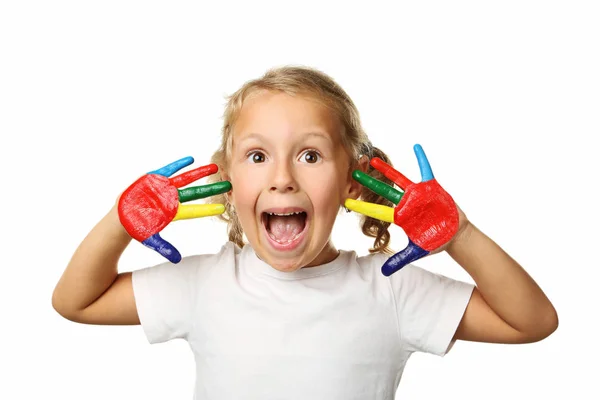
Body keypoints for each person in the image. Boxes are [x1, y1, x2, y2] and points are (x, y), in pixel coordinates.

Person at [52, 65, 558, 399]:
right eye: (257, 156)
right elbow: (76, 302)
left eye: (310, 155)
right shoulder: (202, 282)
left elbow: (532, 321)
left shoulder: (390, 288)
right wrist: (120, 222)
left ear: (353, 176)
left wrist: (459, 235)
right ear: (226, 178)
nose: (283, 177)